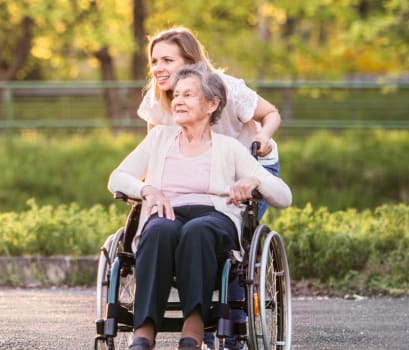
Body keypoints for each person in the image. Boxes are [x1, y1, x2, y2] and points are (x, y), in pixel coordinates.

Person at [108, 65, 292, 350]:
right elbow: (117, 177)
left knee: (198, 231)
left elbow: (284, 196)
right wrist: (146, 189)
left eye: (188, 95)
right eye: (177, 95)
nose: (178, 100)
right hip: (167, 212)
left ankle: (192, 330)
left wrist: (254, 180)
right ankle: (143, 333)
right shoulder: (159, 139)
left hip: (214, 216)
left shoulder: (229, 148)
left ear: (211, 104)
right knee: (157, 231)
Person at [138, 27, 282, 220]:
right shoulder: (156, 98)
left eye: (167, 61)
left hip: (249, 165)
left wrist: (263, 136)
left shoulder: (228, 89)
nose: (157, 68)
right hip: (201, 168)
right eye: (154, 61)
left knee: (230, 229)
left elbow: (271, 113)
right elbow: (154, 150)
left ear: (190, 63)